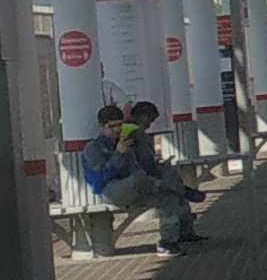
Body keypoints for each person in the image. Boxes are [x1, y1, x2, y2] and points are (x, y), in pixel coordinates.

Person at [84, 98, 202, 251]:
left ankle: (168, 242)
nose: (117, 130)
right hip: (112, 190)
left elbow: (137, 167)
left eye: (119, 125)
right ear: (101, 127)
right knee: (142, 180)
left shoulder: (127, 141)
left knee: (169, 198)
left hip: (140, 187)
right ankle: (179, 189)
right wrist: (118, 154)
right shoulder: (93, 148)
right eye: (111, 126)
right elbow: (100, 178)